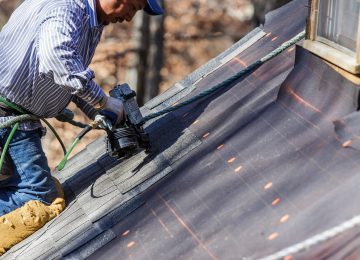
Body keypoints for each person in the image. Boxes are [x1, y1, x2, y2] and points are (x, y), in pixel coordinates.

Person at [0, 0, 163, 216]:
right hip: (8, 117)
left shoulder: (90, 19)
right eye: (132, 6)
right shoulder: (67, 9)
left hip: (14, 114)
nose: (130, 17)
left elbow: (66, 70)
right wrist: (101, 101)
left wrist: (96, 110)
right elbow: (56, 58)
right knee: (40, 196)